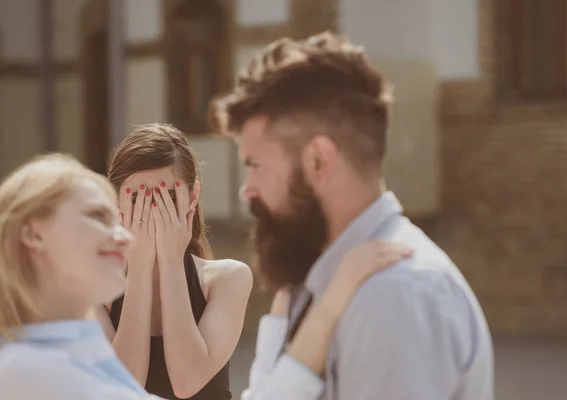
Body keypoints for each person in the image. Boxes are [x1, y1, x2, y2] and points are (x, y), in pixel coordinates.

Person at [209, 31, 495, 399]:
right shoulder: (318, 281)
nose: (246, 189)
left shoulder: (392, 295)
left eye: (256, 165)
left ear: (318, 160)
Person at [0, 153, 413, 400]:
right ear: (34, 234)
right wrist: (325, 310)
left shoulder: (71, 343)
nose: (126, 234)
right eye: (99, 216)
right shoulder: (27, 368)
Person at [90, 123, 251, 400]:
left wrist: (171, 261)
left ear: (193, 196)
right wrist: (139, 265)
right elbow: (123, 385)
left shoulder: (228, 278)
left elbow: (186, 383)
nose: (154, 211)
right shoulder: (94, 286)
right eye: (139, 198)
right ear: (116, 201)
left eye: (168, 197)